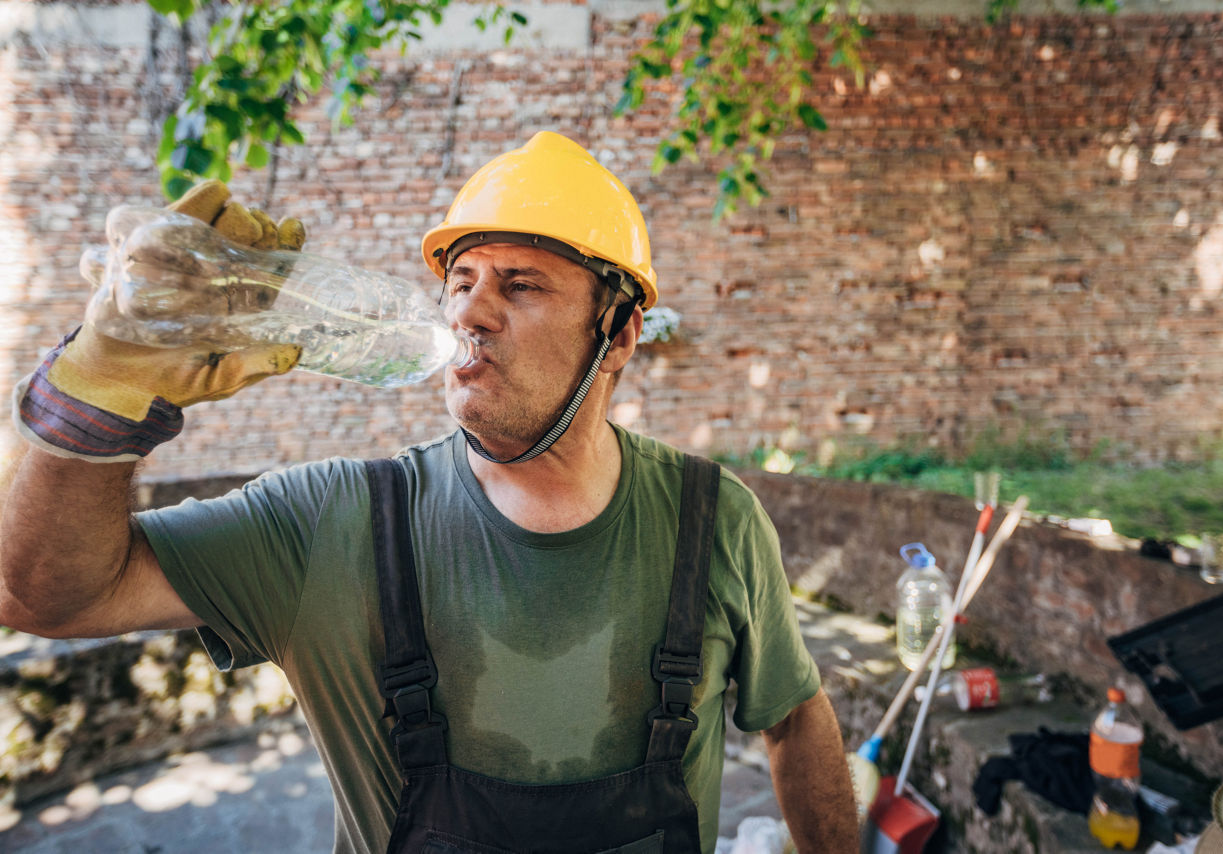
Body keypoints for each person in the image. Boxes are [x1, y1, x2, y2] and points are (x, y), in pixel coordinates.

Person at [0, 132, 858, 852]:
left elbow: (796, 716)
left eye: (521, 285)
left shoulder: (717, 520)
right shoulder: (331, 522)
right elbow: (39, 595)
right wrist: (94, 398)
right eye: (462, 281)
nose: (472, 314)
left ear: (621, 332)